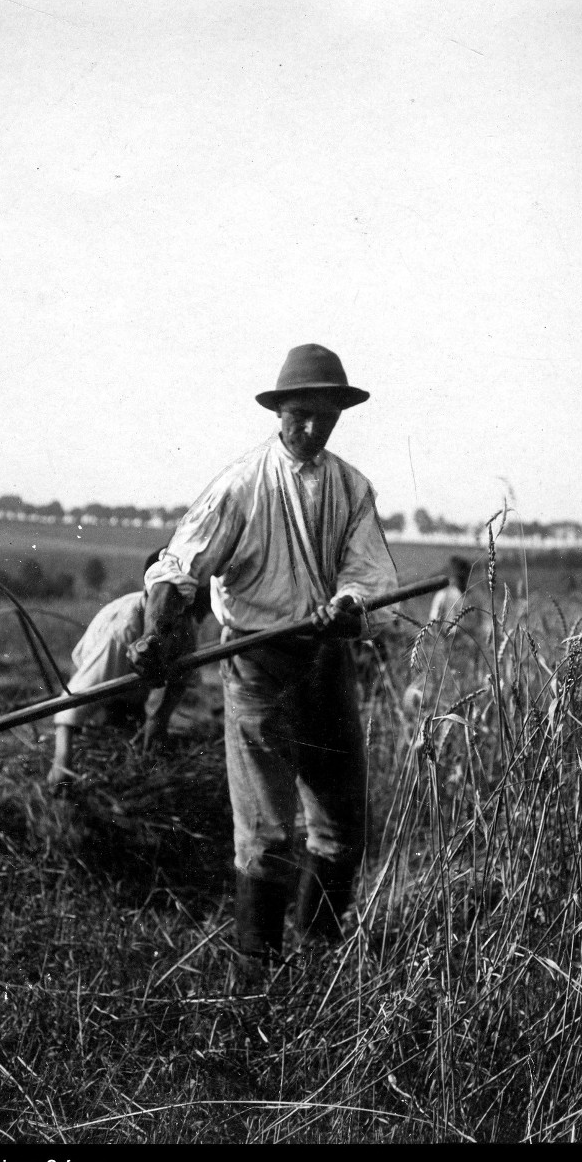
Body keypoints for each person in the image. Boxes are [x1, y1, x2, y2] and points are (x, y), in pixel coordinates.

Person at [127, 343, 399, 965]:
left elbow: (370, 575)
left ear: (338, 416)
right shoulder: (243, 484)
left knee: (340, 823)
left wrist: (349, 604)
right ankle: (257, 973)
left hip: (326, 660)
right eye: (300, 414)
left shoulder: (352, 488)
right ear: (278, 412)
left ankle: (321, 956)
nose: (311, 428)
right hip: (256, 663)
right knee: (267, 828)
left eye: (325, 417)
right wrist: (159, 631)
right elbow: (179, 566)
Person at [47, 550, 209, 786]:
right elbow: (71, 704)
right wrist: (62, 762)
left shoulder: (182, 620)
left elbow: (181, 679)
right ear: (151, 593)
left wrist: (159, 720)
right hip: (102, 693)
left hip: (135, 694)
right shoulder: (122, 632)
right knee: (108, 757)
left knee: (144, 752)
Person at [428, 555, 471, 621]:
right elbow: (434, 620)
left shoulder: (470, 595)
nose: (465, 579)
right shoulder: (444, 594)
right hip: (448, 631)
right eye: (461, 576)